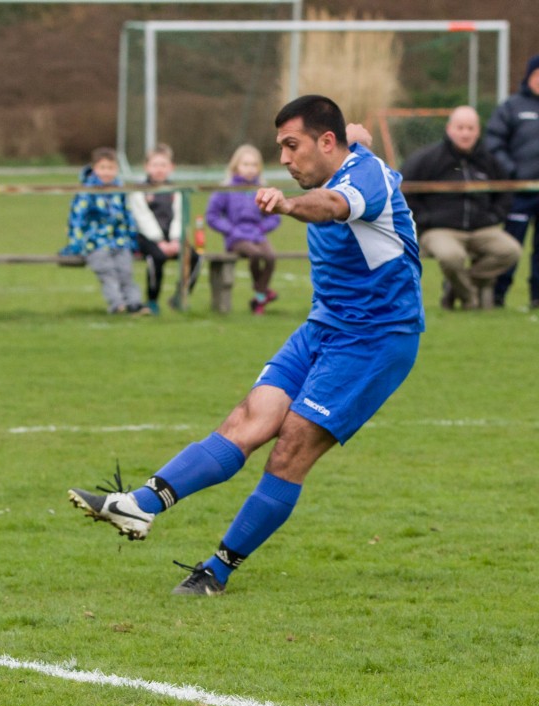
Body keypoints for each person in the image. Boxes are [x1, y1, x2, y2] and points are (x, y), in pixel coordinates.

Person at [70, 96, 424, 596]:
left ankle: (216, 570)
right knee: (249, 418)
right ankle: (138, 505)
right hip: (323, 326)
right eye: (280, 146)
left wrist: (289, 204)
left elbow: (332, 205)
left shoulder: (365, 179)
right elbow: (355, 140)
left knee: (291, 447)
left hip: (375, 340)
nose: (283, 158)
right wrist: (356, 136)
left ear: (326, 142)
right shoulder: (346, 152)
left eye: (292, 145)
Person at [401, 106, 520, 310]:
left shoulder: (489, 161)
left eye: (470, 128)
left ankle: (456, 288)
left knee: (511, 251)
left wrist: (493, 217)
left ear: (478, 131)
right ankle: (470, 298)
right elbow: (404, 190)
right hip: (439, 230)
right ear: (449, 129)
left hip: (481, 229)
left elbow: (505, 193)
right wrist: (425, 219)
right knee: (451, 256)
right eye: (460, 127)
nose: (465, 133)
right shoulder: (427, 159)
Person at [59, 147, 146, 315]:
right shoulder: (86, 191)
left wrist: (132, 239)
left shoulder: (120, 190)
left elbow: (127, 215)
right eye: (102, 168)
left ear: (117, 169)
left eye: (111, 168)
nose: (107, 172)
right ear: (94, 168)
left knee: (126, 272)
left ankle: (134, 303)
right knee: (107, 272)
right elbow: (76, 219)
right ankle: (116, 304)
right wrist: (75, 244)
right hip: (94, 242)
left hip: (120, 241)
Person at [486, 54, 539, 308]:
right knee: (511, 245)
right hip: (519, 192)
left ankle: (537, 297)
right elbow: (494, 143)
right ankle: (497, 295)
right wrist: (512, 171)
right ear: (529, 77)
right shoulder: (511, 107)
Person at [205, 144, 281, 314]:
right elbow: (212, 216)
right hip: (236, 238)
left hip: (257, 234)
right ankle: (262, 295)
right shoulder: (226, 189)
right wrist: (231, 230)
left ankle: (260, 294)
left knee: (270, 256)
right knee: (255, 254)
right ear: (236, 166)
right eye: (246, 164)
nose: (250, 169)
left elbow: (275, 216)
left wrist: (262, 228)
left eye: (254, 165)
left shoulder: (262, 189)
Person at [129, 144, 200, 314]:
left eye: (163, 165)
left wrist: (175, 239)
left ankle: (180, 295)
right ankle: (152, 301)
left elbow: (179, 216)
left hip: (172, 238)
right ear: (147, 167)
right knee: (157, 257)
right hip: (146, 237)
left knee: (196, 258)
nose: (159, 169)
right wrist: (159, 241)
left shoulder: (176, 191)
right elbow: (143, 217)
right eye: (155, 165)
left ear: (171, 167)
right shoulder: (139, 190)